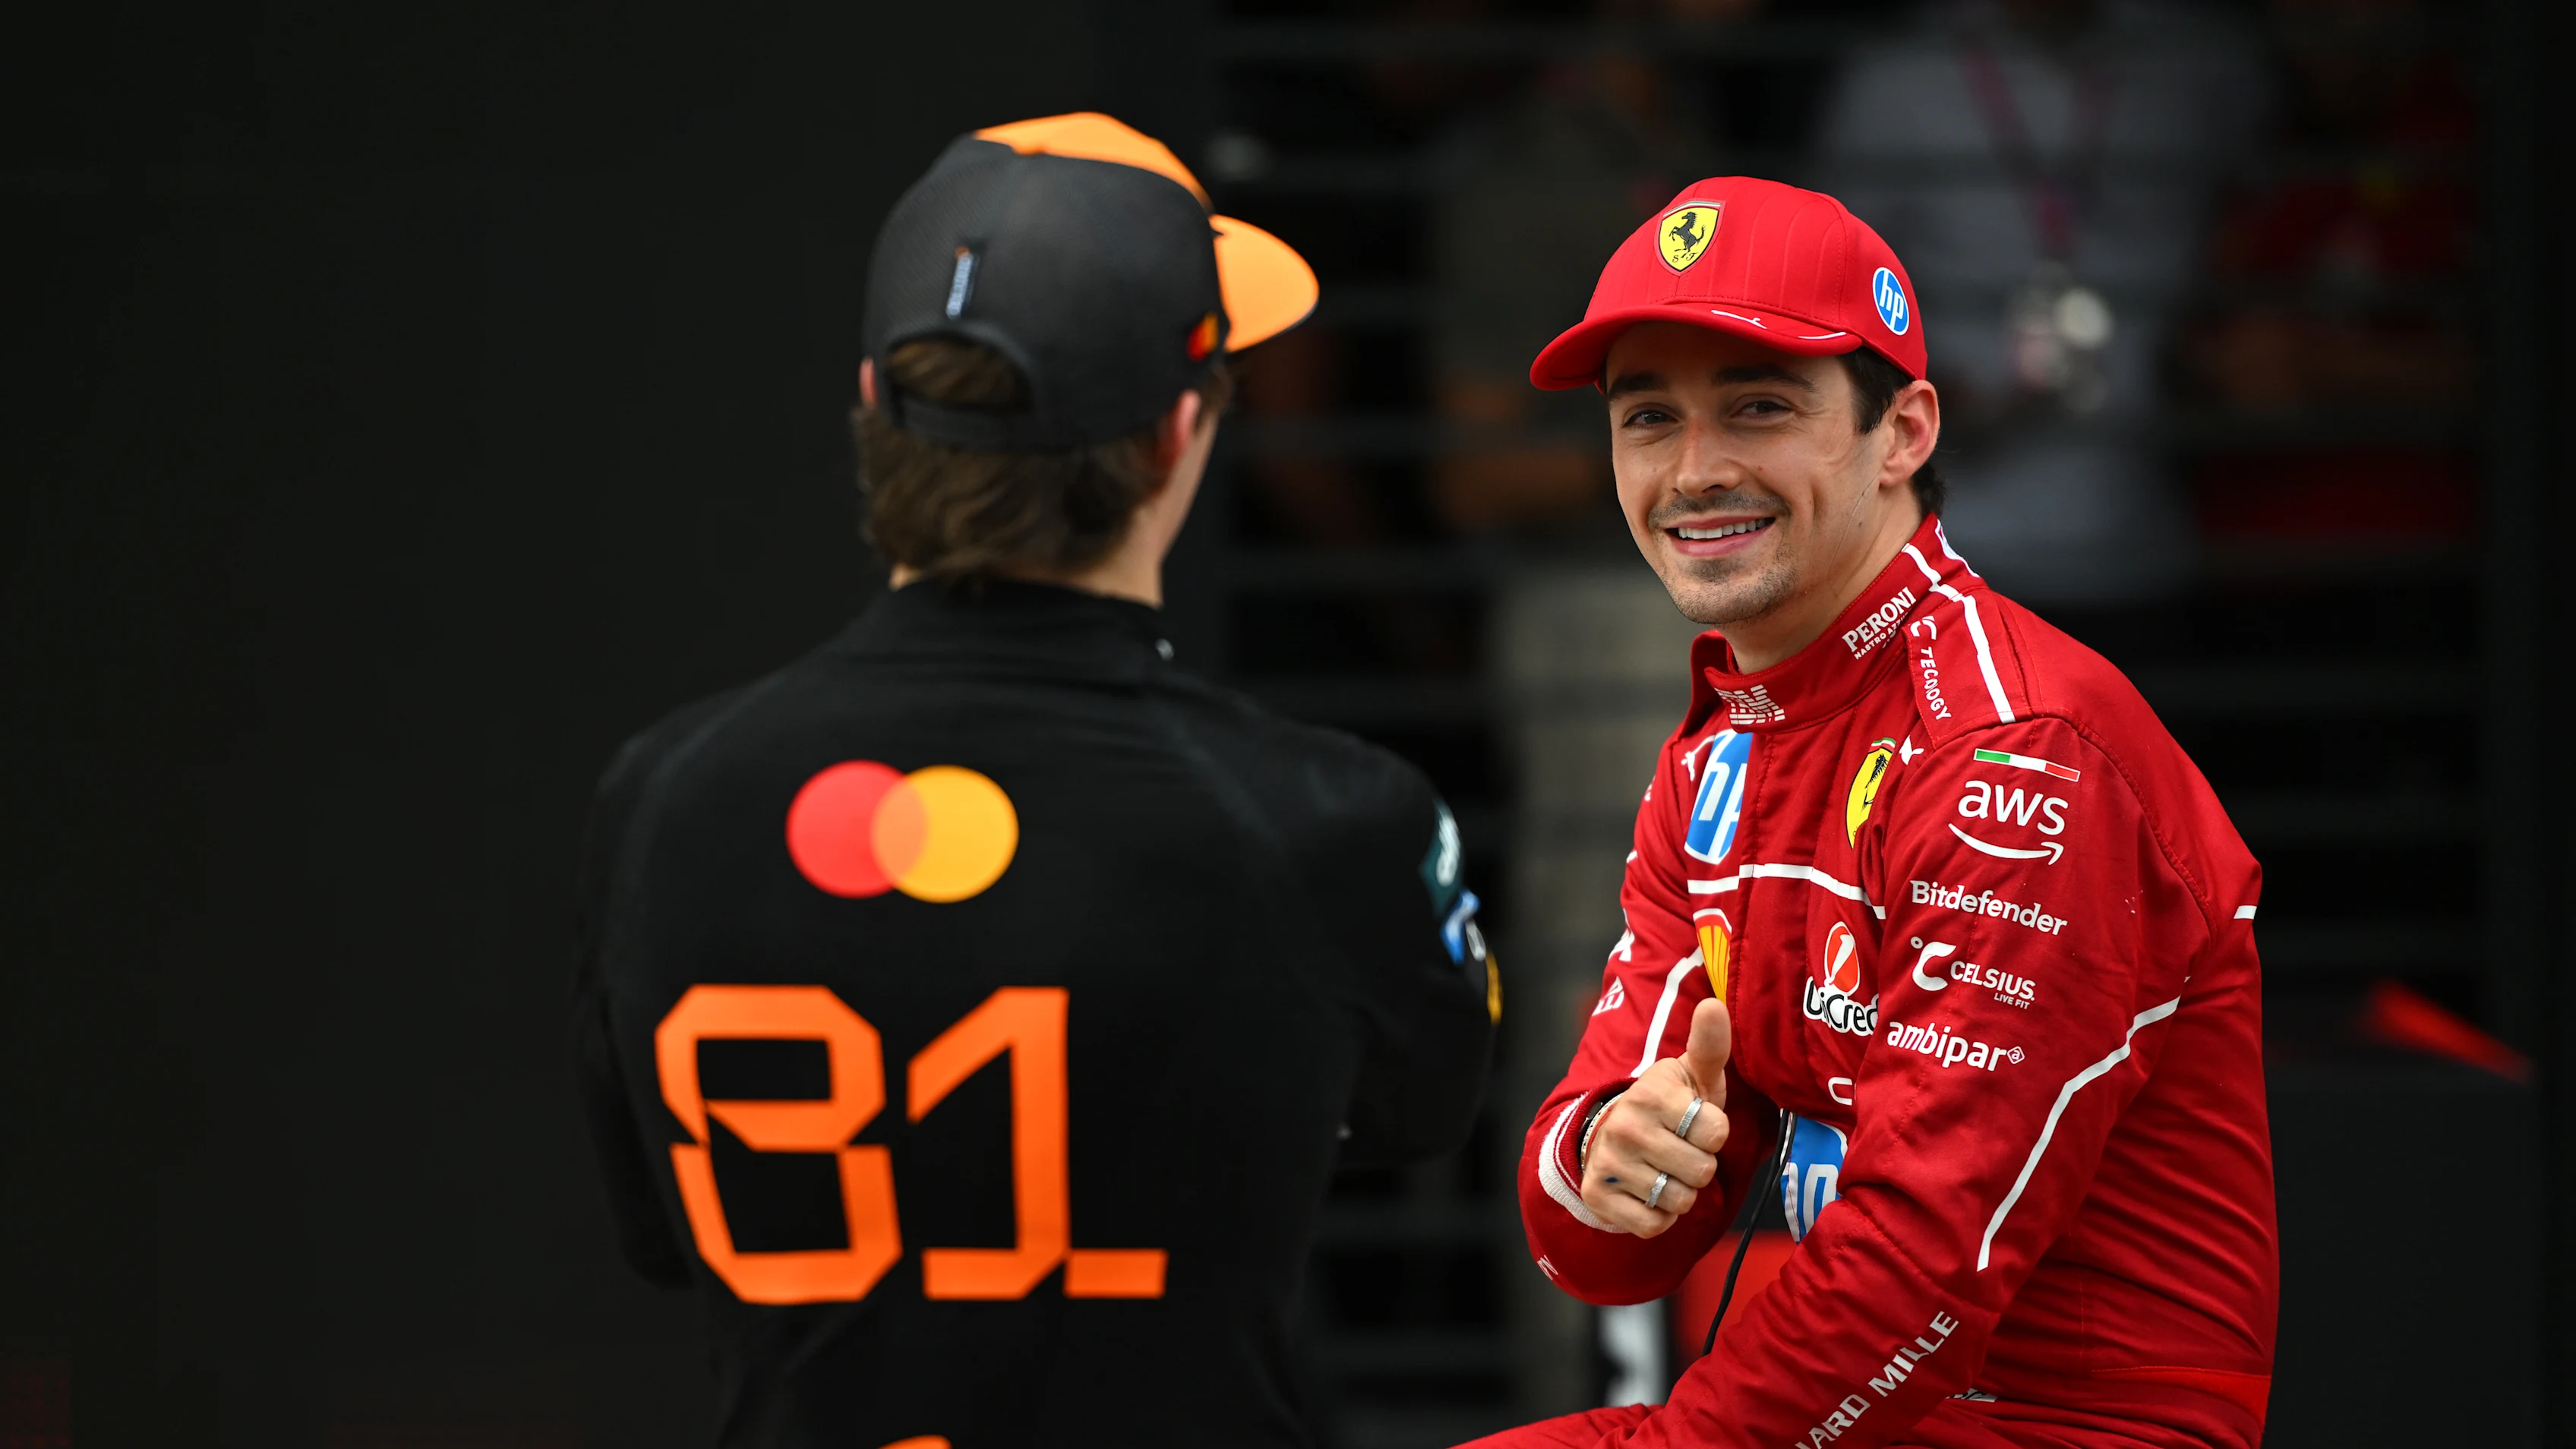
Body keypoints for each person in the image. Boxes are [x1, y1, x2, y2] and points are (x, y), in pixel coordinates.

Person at [570, 113, 1498, 1449]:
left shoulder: (659, 803)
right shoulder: (1329, 816)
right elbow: (1420, 1109)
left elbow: (664, 1232)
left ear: (880, 409)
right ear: (1180, 432)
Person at [1464, 176, 2277, 1447]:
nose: (1694, 471)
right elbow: (1591, 1247)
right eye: (1647, 419)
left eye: (1759, 408)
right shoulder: (1729, 737)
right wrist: (1607, 1167)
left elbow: (1921, 1263)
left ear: (1903, 433)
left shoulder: (2017, 757)